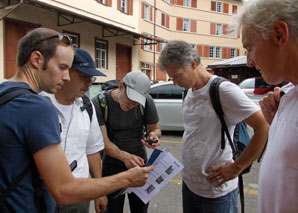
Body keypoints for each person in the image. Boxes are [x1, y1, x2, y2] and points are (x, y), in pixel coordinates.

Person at [0, 27, 153, 212]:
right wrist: (127, 179)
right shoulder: (37, 107)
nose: (65, 77)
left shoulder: (6, 93)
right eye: (62, 67)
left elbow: (93, 149)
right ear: (37, 59)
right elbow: (63, 190)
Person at [157, 40, 269, 213]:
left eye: (177, 75)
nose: (174, 82)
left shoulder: (223, 90)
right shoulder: (188, 90)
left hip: (217, 193)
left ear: (193, 64)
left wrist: (237, 167)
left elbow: (263, 126)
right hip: (190, 185)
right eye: (171, 77)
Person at [230, 0, 298, 212]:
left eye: (249, 47)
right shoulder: (287, 97)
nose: (249, 61)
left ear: (279, 34)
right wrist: (277, 122)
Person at [40, 47, 108, 213]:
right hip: (42, 194)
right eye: (84, 77)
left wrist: (99, 192)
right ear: (65, 72)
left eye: (91, 78)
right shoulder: (38, 103)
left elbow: (92, 150)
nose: (89, 83)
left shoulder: (87, 105)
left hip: (78, 195)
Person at [92, 71, 162, 213]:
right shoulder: (99, 102)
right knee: (112, 208)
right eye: (131, 98)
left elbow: (155, 128)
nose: (133, 104)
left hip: (139, 162)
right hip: (111, 164)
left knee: (140, 208)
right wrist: (125, 156)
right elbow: (102, 142)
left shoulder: (146, 101)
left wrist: (153, 136)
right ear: (121, 86)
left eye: (137, 102)